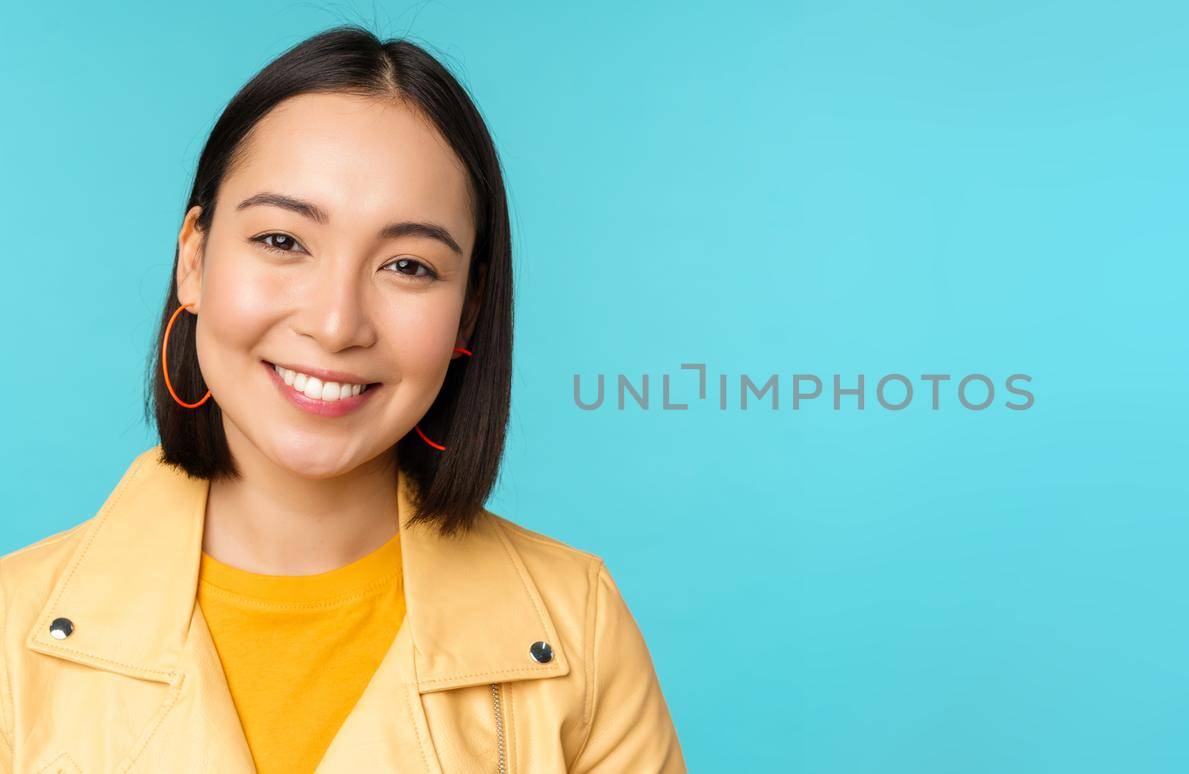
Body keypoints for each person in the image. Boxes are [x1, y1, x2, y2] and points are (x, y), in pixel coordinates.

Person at [0, 25, 687, 773]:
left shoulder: (578, 628)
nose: (335, 325)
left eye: (407, 265)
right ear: (194, 259)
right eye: (283, 242)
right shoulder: (11, 631)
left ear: (468, 309)